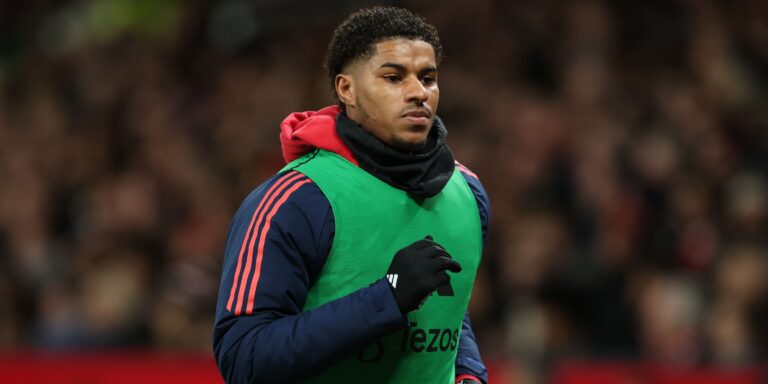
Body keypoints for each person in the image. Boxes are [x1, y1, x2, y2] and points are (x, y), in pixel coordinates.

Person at [213, 7, 490, 383]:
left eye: (428, 78)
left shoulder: (468, 193)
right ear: (347, 89)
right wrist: (386, 298)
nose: (418, 93)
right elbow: (243, 357)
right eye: (393, 77)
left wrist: (470, 376)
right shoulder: (294, 200)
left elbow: (451, 318)